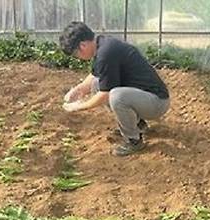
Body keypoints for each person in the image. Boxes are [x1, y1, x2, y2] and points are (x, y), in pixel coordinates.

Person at [59, 22, 170, 156]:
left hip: (157, 102)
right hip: (144, 97)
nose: (78, 58)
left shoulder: (106, 53)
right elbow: (95, 76)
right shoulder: (101, 45)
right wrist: (78, 90)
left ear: (82, 45)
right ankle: (137, 125)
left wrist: (79, 107)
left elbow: (105, 95)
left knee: (116, 96)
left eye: (76, 54)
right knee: (97, 84)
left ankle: (134, 141)